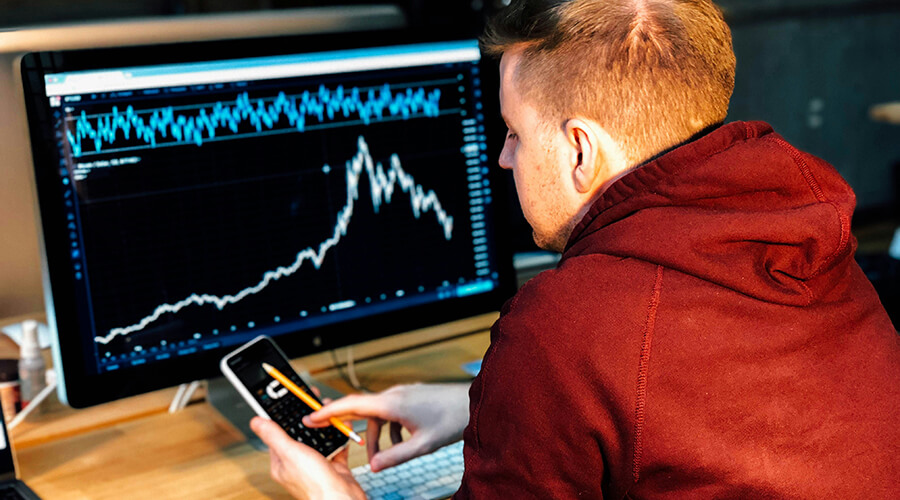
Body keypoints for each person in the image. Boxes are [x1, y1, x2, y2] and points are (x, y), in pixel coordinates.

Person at [251, 0, 900, 497]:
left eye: (513, 134)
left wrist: (333, 493)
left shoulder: (571, 322)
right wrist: (487, 408)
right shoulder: (811, 236)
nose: (503, 159)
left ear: (581, 150)